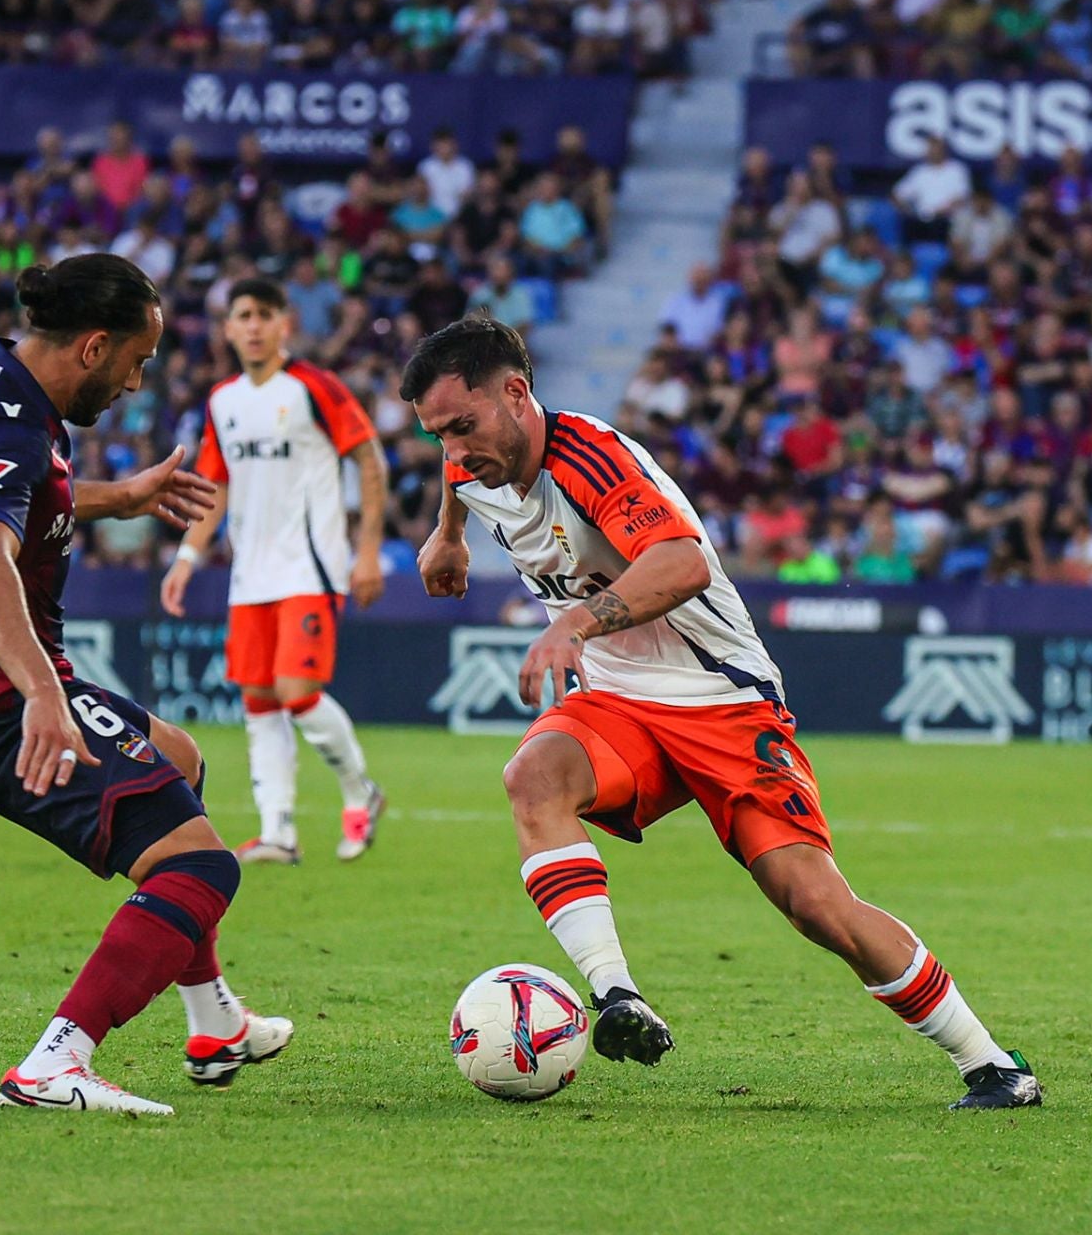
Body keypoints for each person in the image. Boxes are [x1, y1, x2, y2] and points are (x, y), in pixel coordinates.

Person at [407, 316, 1040, 1110]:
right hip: (619, 701)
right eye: (439, 434)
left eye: (464, 426)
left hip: (721, 701)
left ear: (517, 394)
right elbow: (454, 469)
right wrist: (447, 536)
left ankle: (994, 1064)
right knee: (533, 777)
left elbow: (682, 562)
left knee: (815, 904)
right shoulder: (473, 461)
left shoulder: (591, 459)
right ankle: (616, 997)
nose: (455, 450)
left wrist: (571, 622)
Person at [0, 254, 293, 1116]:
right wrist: (42, 693)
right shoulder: (7, 424)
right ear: (91, 346)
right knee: (202, 868)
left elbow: (23, 505)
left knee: (179, 760)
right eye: (135, 361)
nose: (135, 380)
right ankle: (53, 1064)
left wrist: (120, 497)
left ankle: (213, 1021)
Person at [160, 278, 389, 864]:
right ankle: (278, 831)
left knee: (298, 692)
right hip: (250, 575)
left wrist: (367, 551)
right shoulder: (223, 402)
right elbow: (212, 487)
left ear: (285, 324)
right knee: (259, 699)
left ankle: (360, 790)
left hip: (309, 568)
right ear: (229, 328)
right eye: (244, 315)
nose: (255, 326)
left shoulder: (314, 387)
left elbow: (370, 459)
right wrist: (187, 557)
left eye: (265, 315)